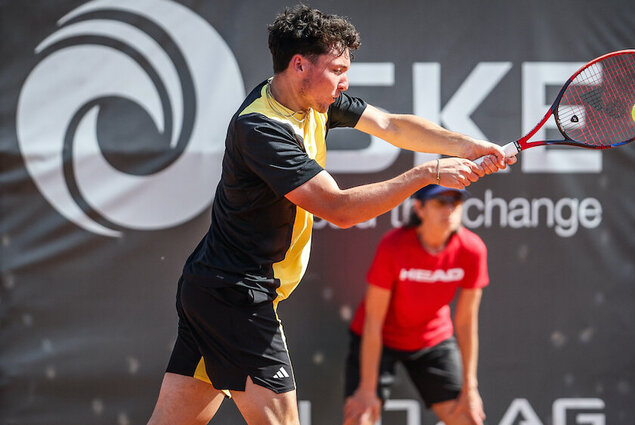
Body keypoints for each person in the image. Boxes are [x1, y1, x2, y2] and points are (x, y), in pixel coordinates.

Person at [147, 5, 514, 425]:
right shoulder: (262, 130)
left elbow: (392, 126)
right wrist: (426, 172)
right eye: (338, 68)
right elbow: (338, 209)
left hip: (213, 289)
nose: (346, 81)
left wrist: (467, 146)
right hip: (236, 296)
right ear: (299, 64)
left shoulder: (315, 103)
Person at [343, 185, 488, 425]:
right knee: (360, 417)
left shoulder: (473, 250)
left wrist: (470, 389)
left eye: (456, 202)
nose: (450, 209)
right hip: (381, 339)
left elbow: (466, 323)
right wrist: (367, 390)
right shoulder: (393, 245)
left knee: (468, 418)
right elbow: (373, 321)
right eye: (440, 202)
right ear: (419, 208)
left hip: (432, 339)